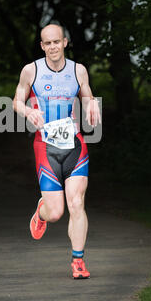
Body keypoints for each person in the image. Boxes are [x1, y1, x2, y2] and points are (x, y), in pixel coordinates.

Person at [12, 24, 100, 279]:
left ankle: (78, 261)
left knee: (76, 203)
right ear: (42, 46)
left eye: (56, 42)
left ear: (65, 42)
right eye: (47, 43)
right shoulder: (31, 70)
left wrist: (92, 105)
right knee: (57, 212)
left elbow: (87, 96)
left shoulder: (78, 70)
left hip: (74, 144)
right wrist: (28, 111)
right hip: (46, 148)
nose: (52, 47)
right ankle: (42, 212)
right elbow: (17, 100)